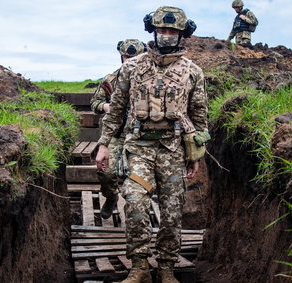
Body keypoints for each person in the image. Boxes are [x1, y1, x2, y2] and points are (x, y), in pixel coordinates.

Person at [95, 6, 209, 283]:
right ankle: (139, 266)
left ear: (182, 34)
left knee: (172, 212)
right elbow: (117, 107)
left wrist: (196, 153)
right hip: (139, 149)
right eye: (162, 30)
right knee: (134, 202)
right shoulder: (131, 67)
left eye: (172, 31)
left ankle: (167, 268)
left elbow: (200, 113)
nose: (167, 35)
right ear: (153, 31)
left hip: (173, 151)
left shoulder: (193, 72)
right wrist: (104, 144)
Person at [90, 39, 147, 219]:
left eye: (134, 57)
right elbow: (95, 103)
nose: (129, 60)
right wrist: (109, 107)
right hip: (115, 134)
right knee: (105, 172)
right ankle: (111, 196)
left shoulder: (150, 80)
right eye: (126, 57)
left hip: (140, 136)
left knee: (139, 177)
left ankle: (136, 210)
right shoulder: (111, 80)